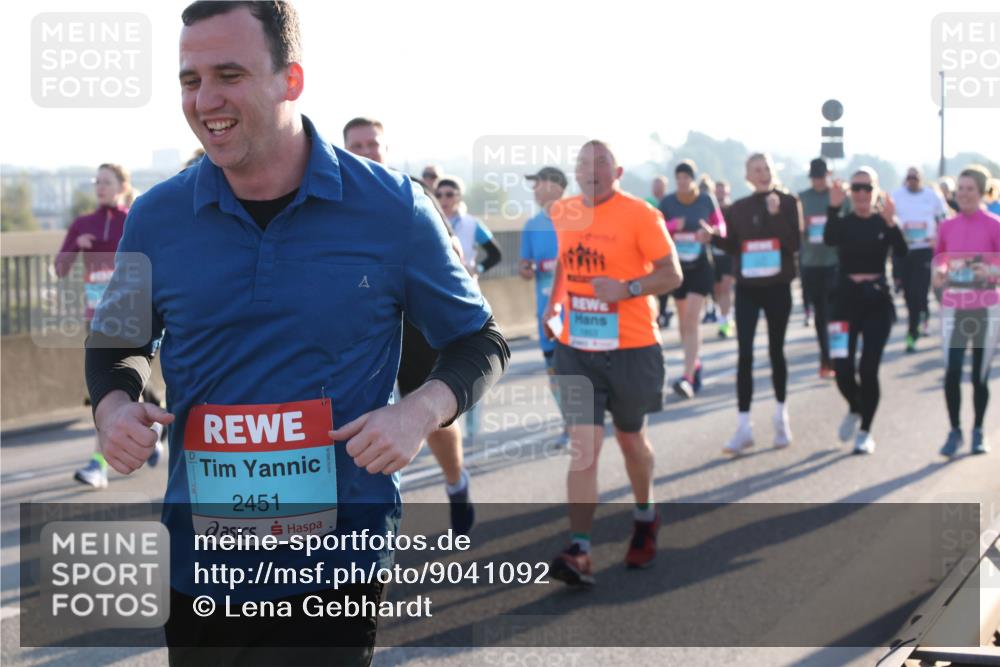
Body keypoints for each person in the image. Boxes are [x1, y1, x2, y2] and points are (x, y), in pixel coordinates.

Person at [87, 3, 509, 664]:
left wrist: (417, 411)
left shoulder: (392, 209)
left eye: (229, 73)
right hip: (204, 560)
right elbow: (117, 343)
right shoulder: (158, 216)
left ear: (292, 80)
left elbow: (480, 340)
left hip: (335, 560)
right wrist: (113, 405)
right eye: (190, 80)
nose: (206, 100)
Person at [541, 140, 682, 585]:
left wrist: (629, 289)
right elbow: (567, 263)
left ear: (617, 171)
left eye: (601, 164)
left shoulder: (641, 214)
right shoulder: (563, 212)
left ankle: (645, 515)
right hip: (576, 347)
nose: (592, 171)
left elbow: (671, 273)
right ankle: (579, 549)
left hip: (632, 347)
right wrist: (552, 304)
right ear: (576, 172)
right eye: (584, 164)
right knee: (584, 447)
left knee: (631, 442)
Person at [343, 116, 476, 534]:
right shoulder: (331, 198)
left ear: (386, 148)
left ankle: (456, 482)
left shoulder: (408, 193)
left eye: (373, 144)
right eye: (357, 146)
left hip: (413, 321)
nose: (367, 152)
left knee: (432, 422)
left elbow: (449, 248)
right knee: (351, 422)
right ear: (345, 150)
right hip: (359, 324)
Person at [56, 163, 165, 488]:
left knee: (113, 393)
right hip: (99, 320)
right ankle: (153, 430)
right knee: (119, 390)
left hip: (137, 315)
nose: (100, 187)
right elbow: (61, 269)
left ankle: (97, 464)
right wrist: (78, 245)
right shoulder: (82, 224)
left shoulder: (135, 219)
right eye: (96, 182)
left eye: (106, 181)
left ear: (122, 186)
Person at [700, 153, 801, 455]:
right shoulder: (739, 209)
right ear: (747, 176)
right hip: (748, 289)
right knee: (744, 354)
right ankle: (744, 425)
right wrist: (713, 238)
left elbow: (794, 245)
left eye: (767, 168)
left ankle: (781, 416)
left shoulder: (787, 202)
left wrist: (776, 216)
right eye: (757, 170)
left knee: (776, 351)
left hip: (778, 287)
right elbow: (733, 246)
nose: (763, 174)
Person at [824, 168, 907, 454]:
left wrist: (892, 222)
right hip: (844, 301)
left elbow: (902, 251)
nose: (861, 194)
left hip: (876, 303)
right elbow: (829, 239)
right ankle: (856, 407)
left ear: (875, 191)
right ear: (849, 192)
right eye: (856, 188)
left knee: (868, 369)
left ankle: (865, 431)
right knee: (842, 368)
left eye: (867, 188)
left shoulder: (883, 222)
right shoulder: (843, 222)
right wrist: (833, 207)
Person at [935, 165, 1000, 457]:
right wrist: (939, 271)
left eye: (969, 189)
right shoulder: (947, 226)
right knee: (951, 373)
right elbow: (940, 259)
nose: (963, 194)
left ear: (982, 191)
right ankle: (954, 431)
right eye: (960, 189)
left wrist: (990, 269)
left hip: (985, 309)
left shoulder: (995, 224)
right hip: (954, 309)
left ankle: (978, 431)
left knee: (978, 377)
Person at [434, 176, 503, 443]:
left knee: (467, 361)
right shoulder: (430, 217)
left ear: (459, 197)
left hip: (466, 300)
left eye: (450, 194)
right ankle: (450, 425)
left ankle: (473, 427)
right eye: (440, 194)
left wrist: (478, 269)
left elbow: (495, 253)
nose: (444, 199)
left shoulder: (473, 225)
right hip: (436, 301)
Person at [659, 160, 726, 398]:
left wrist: (710, 232)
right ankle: (694, 364)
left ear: (693, 179)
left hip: (700, 267)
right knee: (683, 322)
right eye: (679, 179)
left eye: (686, 178)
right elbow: (656, 229)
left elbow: (722, 227)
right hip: (678, 269)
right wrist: (671, 226)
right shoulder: (668, 202)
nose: (682, 182)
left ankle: (687, 375)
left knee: (691, 319)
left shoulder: (706, 200)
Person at [519, 166, 570, 447]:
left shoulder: (580, 219)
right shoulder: (531, 225)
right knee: (555, 374)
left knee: (578, 373)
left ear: (556, 186)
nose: (535, 189)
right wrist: (527, 269)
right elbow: (524, 267)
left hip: (578, 314)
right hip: (546, 316)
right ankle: (569, 424)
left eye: (538, 183)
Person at [892, 167, 947, 352]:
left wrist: (937, 238)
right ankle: (916, 320)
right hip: (904, 250)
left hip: (924, 250)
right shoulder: (897, 196)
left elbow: (943, 220)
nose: (912, 180)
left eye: (915, 177)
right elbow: (889, 220)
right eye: (909, 177)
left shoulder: (932, 196)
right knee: (909, 295)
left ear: (921, 179)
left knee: (921, 292)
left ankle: (913, 332)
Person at [798, 158, 840, 378]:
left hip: (834, 263)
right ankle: (826, 359)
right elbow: (797, 230)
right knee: (820, 315)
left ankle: (839, 355)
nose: (818, 181)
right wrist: (803, 228)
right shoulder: (802, 198)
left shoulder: (837, 197)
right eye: (815, 177)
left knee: (836, 313)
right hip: (811, 264)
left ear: (828, 175)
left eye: (822, 176)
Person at [712, 179, 735, 338]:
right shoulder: (710, 210)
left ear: (728, 191)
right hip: (713, 256)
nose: (720, 193)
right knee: (718, 290)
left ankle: (725, 323)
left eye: (722, 189)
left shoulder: (733, 210)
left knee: (726, 288)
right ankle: (726, 316)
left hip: (729, 255)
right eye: (717, 190)